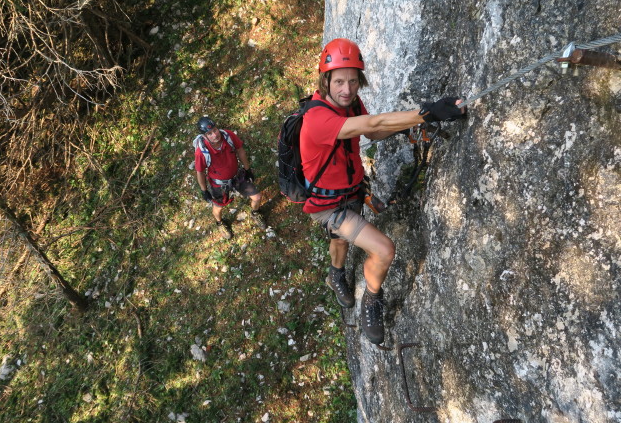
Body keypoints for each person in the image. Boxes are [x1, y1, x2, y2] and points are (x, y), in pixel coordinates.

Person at [300, 38, 466, 344]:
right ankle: (372, 300)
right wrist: (427, 113)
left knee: (339, 241)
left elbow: (372, 129)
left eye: (352, 81)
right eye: (339, 81)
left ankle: (336, 275)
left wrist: (405, 126)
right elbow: (372, 121)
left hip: (347, 192)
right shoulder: (317, 119)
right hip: (327, 204)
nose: (347, 90)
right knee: (383, 249)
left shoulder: (349, 104)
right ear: (325, 81)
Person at [194, 117, 267, 239]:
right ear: (204, 136)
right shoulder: (202, 152)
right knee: (218, 206)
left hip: (237, 176)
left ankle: (255, 213)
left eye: (215, 130)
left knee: (257, 197)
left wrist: (247, 169)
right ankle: (219, 222)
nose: (214, 135)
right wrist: (204, 190)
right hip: (219, 184)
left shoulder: (228, 136)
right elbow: (200, 172)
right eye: (209, 133)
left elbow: (240, 150)